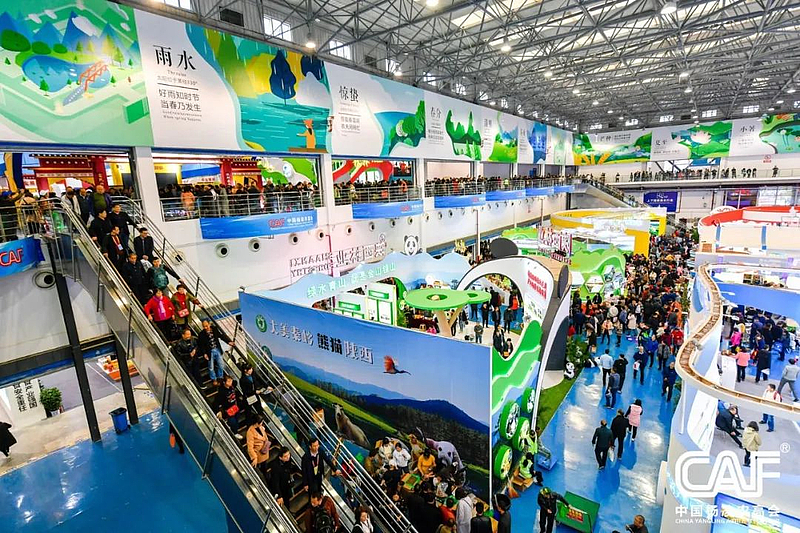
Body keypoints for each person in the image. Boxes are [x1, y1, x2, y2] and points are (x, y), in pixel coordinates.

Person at [197, 319, 232, 384]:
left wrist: (228, 342)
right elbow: (201, 345)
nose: (205, 328)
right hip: (209, 351)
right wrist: (204, 353)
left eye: (206, 326)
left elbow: (221, 336)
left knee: (221, 365)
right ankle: (214, 379)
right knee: (211, 367)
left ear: (209, 324)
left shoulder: (214, 329)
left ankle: (220, 377)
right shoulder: (201, 334)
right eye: (204, 326)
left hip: (217, 349)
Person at [246, 414, 271, 482]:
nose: (262, 423)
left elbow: (264, 436)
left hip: (264, 450)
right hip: (258, 454)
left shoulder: (260, 427)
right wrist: (254, 457)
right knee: (262, 469)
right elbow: (250, 447)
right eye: (261, 422)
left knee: (264, 466)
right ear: (256, 423)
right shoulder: (250, 432)